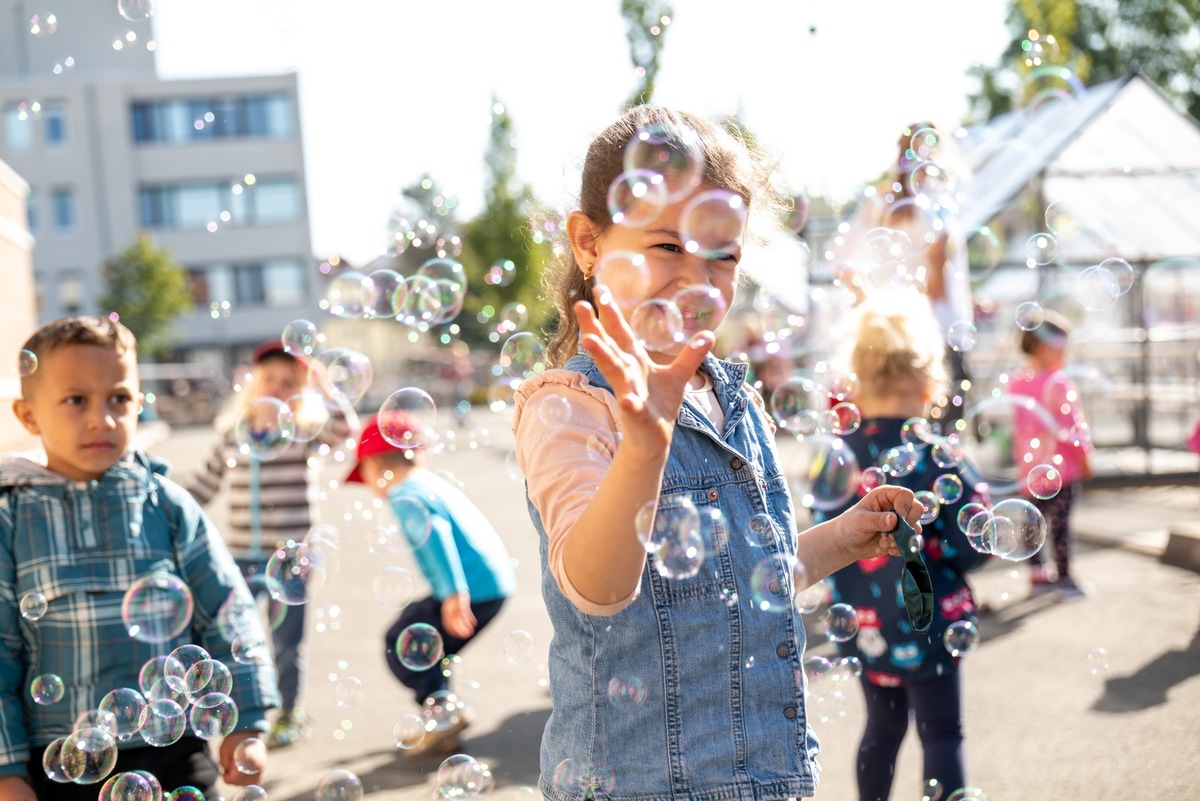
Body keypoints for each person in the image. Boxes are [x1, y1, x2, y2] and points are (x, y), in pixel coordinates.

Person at [511, 105, 923, 801]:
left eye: (723, 255)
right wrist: (645, 446)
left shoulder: (736, 396)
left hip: (769, 775)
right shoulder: (571, 403)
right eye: (667, 247)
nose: (697, 279)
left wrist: (841, 539)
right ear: (588, 242)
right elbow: (597, 586)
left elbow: (745, 577)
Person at [0, 316, 278, 801]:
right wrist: (6, 770)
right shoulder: (11, 519)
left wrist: (246, 720)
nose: (102, 419)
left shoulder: (165, 503)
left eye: (119, 398)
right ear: (28, 416)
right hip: (62, 761)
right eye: (75, 400)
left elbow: (228, 611)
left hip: (176, 747)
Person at [810, 288, 991, 801]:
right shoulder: (937, 457)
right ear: (932, 380)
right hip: (930, 622)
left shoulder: (838, 455)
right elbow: (972, 546)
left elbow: (823, 536)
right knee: (941, 733)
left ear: (859, 382)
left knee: (882, 730)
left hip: (864, 625)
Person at [184, 340, 356, 748]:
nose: (278, 387)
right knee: (233, 636)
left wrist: (324, 385)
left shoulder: (303, 433)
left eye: (288, 382)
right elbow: (203, 486)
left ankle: (290, 712)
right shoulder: (232, 435)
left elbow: (345, 429)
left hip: (293, 556)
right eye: (270, 379)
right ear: (253, 383)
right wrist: (164, 505)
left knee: (286, 643)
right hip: (240, 556)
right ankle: (243, 710)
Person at [344, 412, 514, 757]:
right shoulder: (428, 482)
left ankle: (445, 714)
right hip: (490, 586)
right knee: (430, 646)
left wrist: (453, 594)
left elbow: (436, 534)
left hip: (471, 591)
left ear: (376, 465)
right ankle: (444, 722)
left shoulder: (404, 493)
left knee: (401, 643)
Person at [841, 122, 974, 429]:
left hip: (884, 337)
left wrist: (873, 306)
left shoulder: (880, 201)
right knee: (935, 433)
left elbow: (844, 262)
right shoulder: (936, 207)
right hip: (935, 335)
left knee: (886, 430)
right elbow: (938, 286)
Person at [1009, 309, 1093, 598]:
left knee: (1033, 522)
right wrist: (1085, 458)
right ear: (1046, 347)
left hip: (1029, 470)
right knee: (1060, 526)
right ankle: (1065, 579)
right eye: (1063, 348)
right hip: (1062, 471)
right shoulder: (1058, 383)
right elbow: (1072, 428)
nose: (1065, 355)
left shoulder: (1017, 382)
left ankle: (1038, 576)